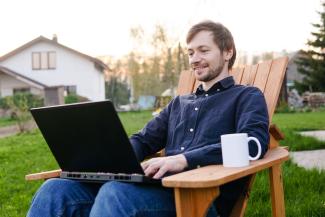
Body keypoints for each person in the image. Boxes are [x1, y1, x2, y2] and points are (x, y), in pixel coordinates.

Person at [27, 20, 269, 217]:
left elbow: (253, 144)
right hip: (157, 189)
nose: (194, 59)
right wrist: (105, 159)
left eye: (204, 50)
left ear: (228, 52)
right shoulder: (179, 104)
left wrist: (184, 159)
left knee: (115, 194)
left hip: (199, 199)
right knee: (56, 189)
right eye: (191, 52)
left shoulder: (246, 96)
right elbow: (143, 141)